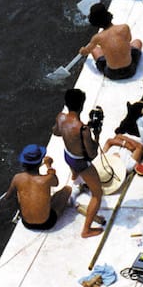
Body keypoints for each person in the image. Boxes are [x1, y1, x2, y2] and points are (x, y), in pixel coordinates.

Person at [55, 88, 104, 237]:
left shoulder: (60, 117)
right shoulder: (83, 129)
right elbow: (92, 154)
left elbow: (56, 132)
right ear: (82, 105)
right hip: (81, 163)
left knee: (75, 171)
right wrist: (96, 136)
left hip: (68, 155)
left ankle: (77, 181)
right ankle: (86, 230)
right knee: (97, 194)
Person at [7, 144, 72, 231]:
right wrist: (49, 165)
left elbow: (8, 196)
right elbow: (56, 182)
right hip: (46, 223)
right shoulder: (47, 179)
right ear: (40, 162)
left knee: (19, 192)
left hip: (26, 223)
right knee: (67, 190)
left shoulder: (17, 178)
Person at [81, 3, 143, 80]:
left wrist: (82, 50)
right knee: (137, 41)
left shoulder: (97, 37)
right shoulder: (124, 27)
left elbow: (85, 52)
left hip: (112, 74)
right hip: (130, 70)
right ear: (108, 15)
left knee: (94, 49)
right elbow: (129, 40)